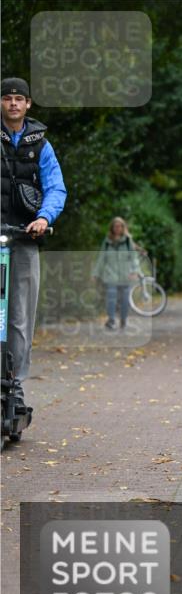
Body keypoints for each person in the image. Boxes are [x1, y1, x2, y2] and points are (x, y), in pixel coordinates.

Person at [1, 77, 67, 411]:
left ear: (28, 104)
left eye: (19, 99)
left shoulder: (41, 145)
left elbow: (56, 187)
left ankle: (14, 383)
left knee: (20, 316)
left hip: (25, 238)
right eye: (7, 98)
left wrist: (43, 217)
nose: (13, 103)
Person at [91, 217, 140, 331]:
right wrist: (95, 273)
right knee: (111, 299)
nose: (118, 228)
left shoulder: (128, 241)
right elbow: (101, 258)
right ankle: (111, 320)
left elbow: (134, 257)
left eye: (120, 226)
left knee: (125, 300)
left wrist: (135, 271)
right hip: (111, 275)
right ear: (112, 228)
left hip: (125, 275)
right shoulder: (107, 241)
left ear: (123, 227)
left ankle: (123, 320)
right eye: (115, 226)